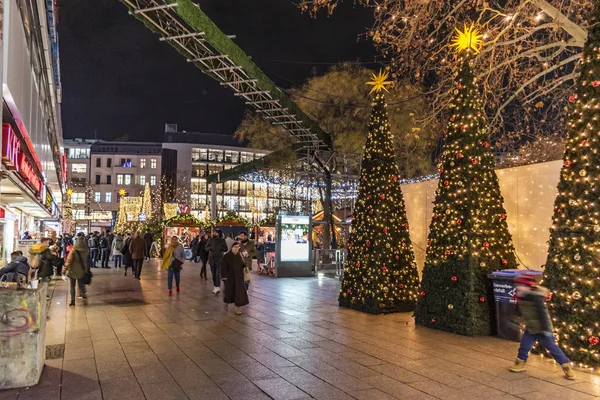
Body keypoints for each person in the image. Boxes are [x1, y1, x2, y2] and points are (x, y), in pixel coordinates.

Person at [510, 275, 575, 380]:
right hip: (531, 327)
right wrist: (515, 319)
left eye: (520, 285)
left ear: (528, 287)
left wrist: (545, 329)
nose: (518, 287)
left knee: (552, 347)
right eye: (517, 285)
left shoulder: (536, 297)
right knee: (524, 346)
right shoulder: (520, 296)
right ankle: (520, 363)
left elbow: (543, 314)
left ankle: (566, 366)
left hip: (543, 328)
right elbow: (518, 310)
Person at [221, 242, 249, 315]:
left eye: (238, 247)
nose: (237, 249)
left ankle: (237, 308)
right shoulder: (226, 256)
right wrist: (224, 277)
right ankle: (226, 302)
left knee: (239, 293)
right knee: (229, 292)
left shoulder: (240, 255)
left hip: (239, 277)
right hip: (229, 278)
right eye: (235, 247)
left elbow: (243, 264)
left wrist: (245, 261)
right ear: (231, 247)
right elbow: (223, 268)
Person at [62, 236, 89, 306]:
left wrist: (64, 270)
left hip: (73, 270)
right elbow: (88, 261)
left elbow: (68, 261)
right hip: (82, 270)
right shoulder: (86, 250)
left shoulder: (73, 250)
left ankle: (73, 301)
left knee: (72, 286)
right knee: (81, 284)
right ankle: (83, 294)